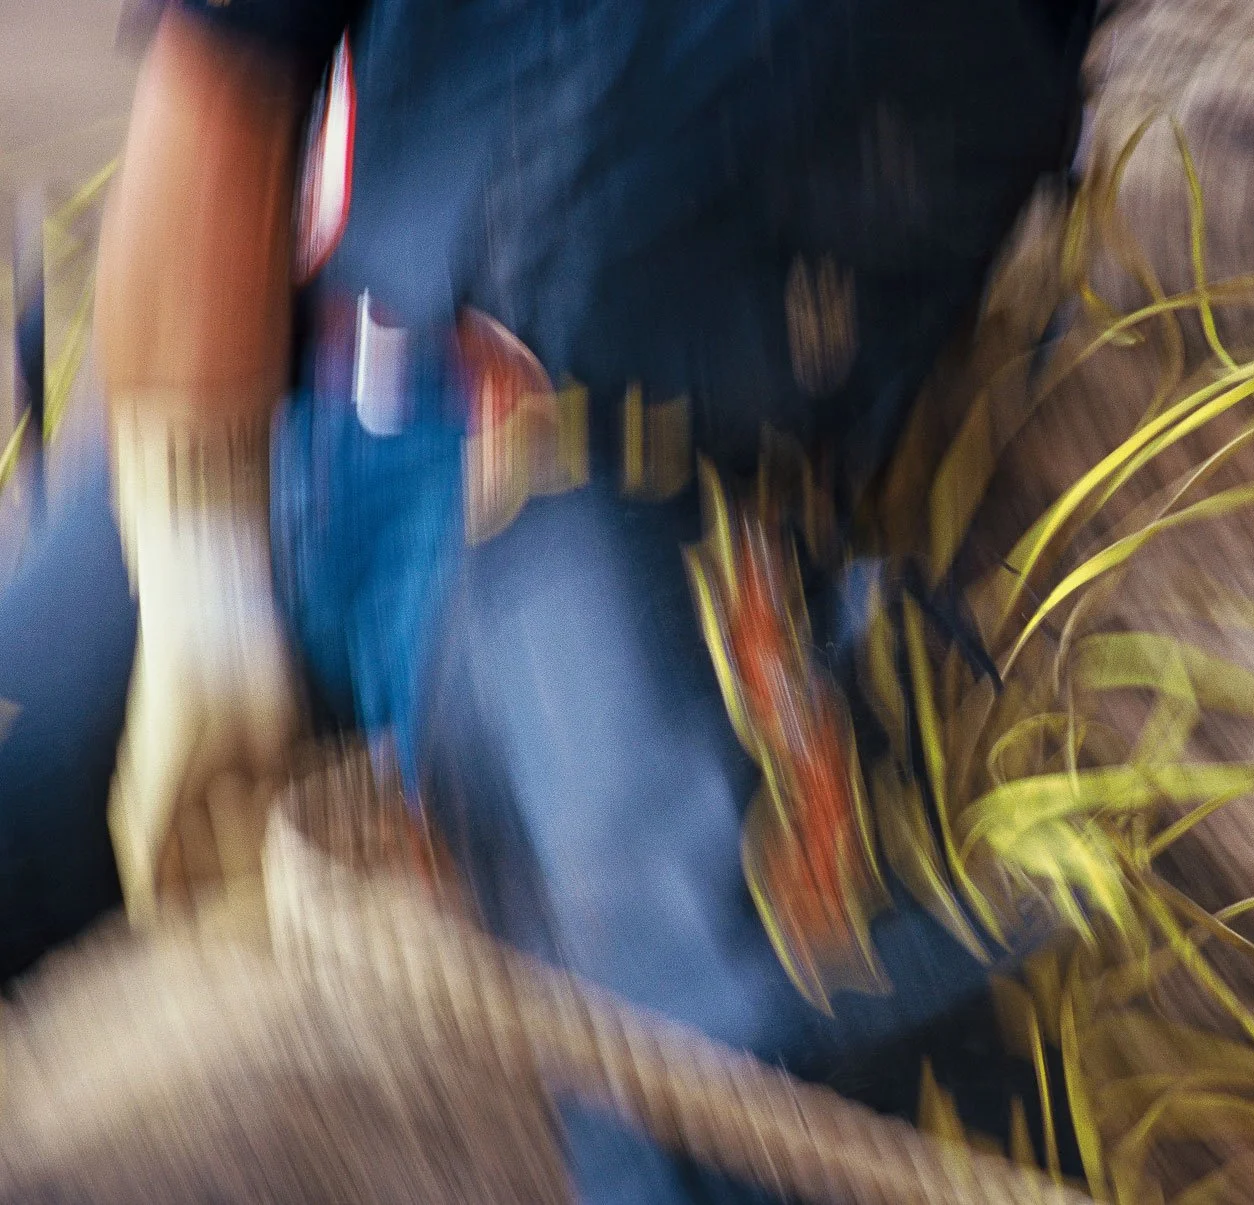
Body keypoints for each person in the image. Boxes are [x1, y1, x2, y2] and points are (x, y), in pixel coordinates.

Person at [0, 0, 1092, 1198]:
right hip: (269, 427)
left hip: (624, 489)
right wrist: (198, 589)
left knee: (737, 1055)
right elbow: (219, 71)